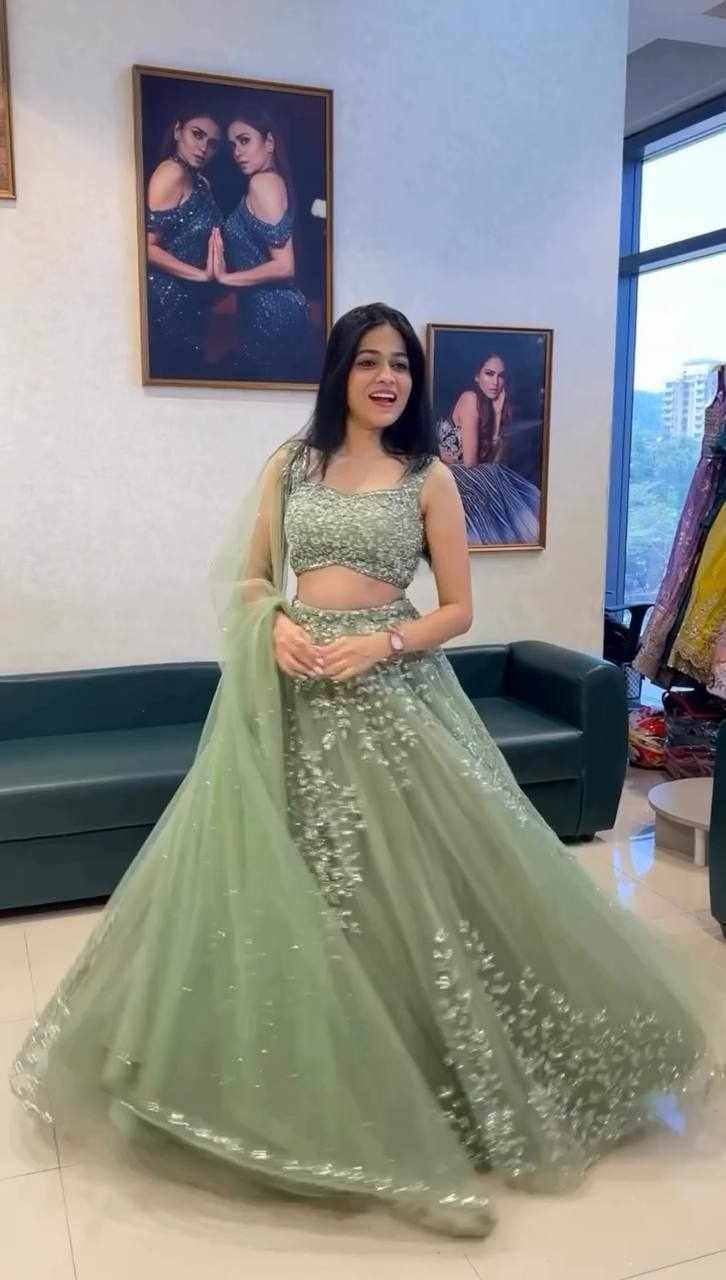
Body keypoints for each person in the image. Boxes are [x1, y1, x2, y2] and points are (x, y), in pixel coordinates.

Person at [10, 304, 716, 1243]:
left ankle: (432, 1078)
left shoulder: (429, 476)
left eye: (402, 365)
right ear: (339, 370)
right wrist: (276, 624)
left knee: (414, 887)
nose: (387, 378)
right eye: (370, 361)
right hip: (293, 694)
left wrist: (382, 642)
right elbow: (250, 579)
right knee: (278, 883)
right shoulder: (290, 465)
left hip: (392, 690)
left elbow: (457, 609)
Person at [214, 102, 315, 383]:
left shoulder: (263, 184)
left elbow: (284, 266)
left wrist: (227, 278)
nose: (237, 152)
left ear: (269, 142)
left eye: (244, 140)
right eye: (233, 145)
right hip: (266, 313)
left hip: (273, 316)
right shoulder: (273, 181)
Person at [145, 105, 222, 379]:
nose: (203, 148)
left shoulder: (201, 181)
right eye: (197, 135)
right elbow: (146, 247)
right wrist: (201, 275)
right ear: (178, 131)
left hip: (191, 303)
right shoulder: (171, 173)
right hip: (165, 301)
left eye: (212, 143)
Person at [438, 352, 540, 545]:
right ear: (477, 376)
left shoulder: (495, 407)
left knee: (495, 473)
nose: (495, 382)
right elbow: (471, 463)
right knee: (493, 476)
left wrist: (498, 414)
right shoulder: (470, 399)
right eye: (489, 373)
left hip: (470, 475)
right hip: (447, 474)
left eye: (501, 376)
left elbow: (495, 462)